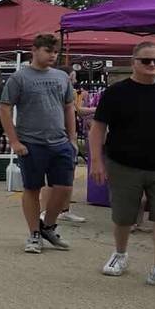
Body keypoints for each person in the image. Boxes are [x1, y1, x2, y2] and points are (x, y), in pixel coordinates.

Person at [89, 41, 155, 282]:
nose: (152, 65)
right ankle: (120, 254)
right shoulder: (116, 93)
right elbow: (98, 129)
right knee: (123, 217)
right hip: (124, 164)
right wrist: (96, 161)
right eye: (146, 60)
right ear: (134, 62)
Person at [0, 34, 75, 254]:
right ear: (35, 50)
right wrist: (14, 141)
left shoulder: (61, 77)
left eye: (55, 52)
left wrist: (72, 138)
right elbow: (5, 109)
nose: (52, 56)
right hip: (32, 142)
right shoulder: (19, 78)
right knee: (32, 189)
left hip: (59, 141)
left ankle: (48, 226)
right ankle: (34, 234)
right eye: (48, 51)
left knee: (64, 188)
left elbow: (69, 107)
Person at [40, 67, 96, 224]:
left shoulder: (69, 92)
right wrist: (98, 109)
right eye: (72, 78)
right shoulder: (58, 92)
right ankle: (45, 211)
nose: (75, 81)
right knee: (51, 178)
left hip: (67, 137)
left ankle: (64, 209)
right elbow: (78, 111)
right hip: (56, 137)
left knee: (68, 176)